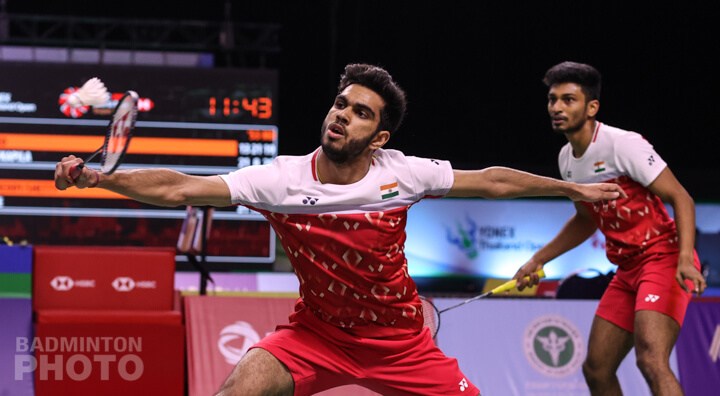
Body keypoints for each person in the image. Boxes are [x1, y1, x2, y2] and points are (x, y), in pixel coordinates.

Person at [55, 63, 626, 396]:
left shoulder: (401, 172)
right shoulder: (279, 180)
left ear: (378, 138)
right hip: (316, 336)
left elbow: (493, 182)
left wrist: (570, 189)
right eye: (340, 103)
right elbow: (180, 187)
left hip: (401, 344)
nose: (341, 114)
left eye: (360, 112)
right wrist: (102, 179)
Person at [512, 61, 706, 396]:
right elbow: (587, 219)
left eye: (568, 99)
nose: (556, 107)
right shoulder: (566, 160)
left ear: (592, 107)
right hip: (627, 269)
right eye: (552, 99)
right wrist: (538, 259)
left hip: (664, 259)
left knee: (651, 359)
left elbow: (681, 198)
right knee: (597, 369)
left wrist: (686, 259)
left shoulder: (622, 144)